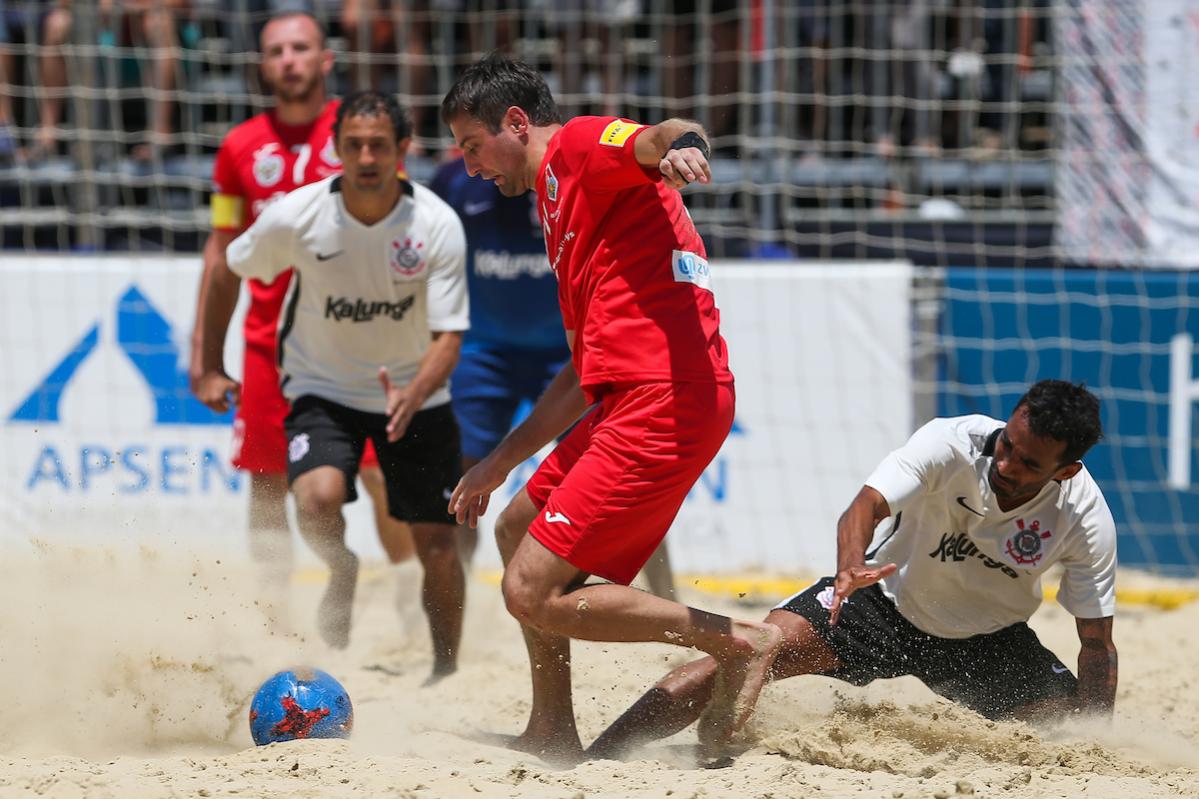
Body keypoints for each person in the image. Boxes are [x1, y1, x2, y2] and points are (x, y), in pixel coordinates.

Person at [442, 55, 784, 763]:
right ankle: (551, 728)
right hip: (632, 395)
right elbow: (577, 375)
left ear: (515, 123)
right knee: (514, 526)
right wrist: (498, 462)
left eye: (473, 146)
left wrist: (685, 145)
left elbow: (660, 134)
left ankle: (740, 639)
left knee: (528, 591)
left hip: (667, 396)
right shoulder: (557, 205)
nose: (470, 167)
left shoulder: (575, 147)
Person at [588, 380, 1118, 759]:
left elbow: (1096, 644)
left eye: (1028, 464)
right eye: (1007, 445)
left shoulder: (1085, 518)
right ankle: (597, 759)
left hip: (987, 640)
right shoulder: (952, 441)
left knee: (1070, 729)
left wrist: (1099, 740)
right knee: (731, 660)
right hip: (878, 603)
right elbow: (865, 506)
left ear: (1066, 471)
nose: (1005, 465)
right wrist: (849, 567)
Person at [197, 90, 470, 678]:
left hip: (414, 394)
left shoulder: (436, 223)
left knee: (437, 544)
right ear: (337, 149)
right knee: (315, 497)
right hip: (323, 387)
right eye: (354, 145)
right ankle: (341, 567)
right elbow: (225, 267)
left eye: (379, 146)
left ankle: (445, 671)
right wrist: (210, 364)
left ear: (403, 149)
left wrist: (415, 392)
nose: (366, 157)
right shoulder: (297, 215)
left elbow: (450, 337)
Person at [189, 11, 413, 629]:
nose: (288, 59)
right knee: (265, 483)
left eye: (300, 48)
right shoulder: (238, 149)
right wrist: (204, 356)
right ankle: (275, 622)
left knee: (379, 475)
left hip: (360, 344)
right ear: (263, 66)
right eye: (276, 51)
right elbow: (221, 251)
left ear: (325, 59)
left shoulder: (361, 134)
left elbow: (403, 230)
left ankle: (415, 610)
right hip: (269, 347)